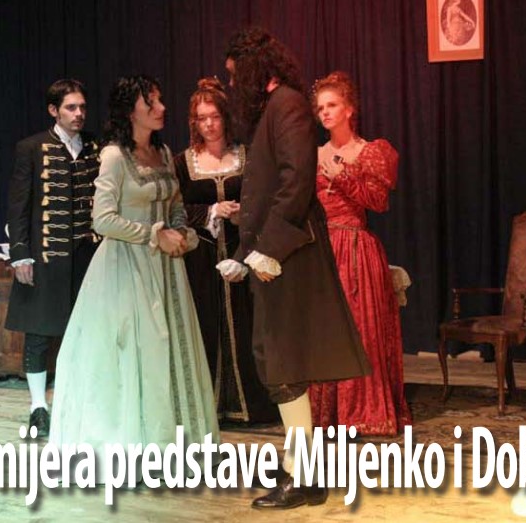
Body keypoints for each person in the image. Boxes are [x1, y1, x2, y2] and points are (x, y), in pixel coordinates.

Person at [218, 28, 370, 509]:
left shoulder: (286, 104)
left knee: (283, 362)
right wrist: (245, 253)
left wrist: (269, 249)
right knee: (280, 363)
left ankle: (302, 475)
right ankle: (304, 471)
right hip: (273, 254)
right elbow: (265, 191)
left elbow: (295, 181)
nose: (232, 84)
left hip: (289, 256)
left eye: (235, 74)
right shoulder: (273, 108)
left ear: (254, 68)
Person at [49, 75, 218, 472]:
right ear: (131, 111)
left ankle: (177, 446)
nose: (161, 108)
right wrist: (153, 235)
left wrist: (181, 232)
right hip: (126, 267)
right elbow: (103, 219)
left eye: (159, 100)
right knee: (138, 352)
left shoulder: (163, 152)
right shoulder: (114, 156)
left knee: (171, 349)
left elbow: (176, 205)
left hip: (167, 270)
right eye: (151, 102)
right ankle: (138, 449)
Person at [308, 71, 411, 437]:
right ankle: (328, 413)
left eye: (332, 105)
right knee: (325, 332)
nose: (325, 112)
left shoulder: (370, 151)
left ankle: (362, 412)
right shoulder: (313, 154)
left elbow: (378, 202)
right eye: (321, 107)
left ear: (349, 109)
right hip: (322, 249)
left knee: (361, 331)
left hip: (355, 248)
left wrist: (342, 177)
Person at [173, 78, 277, 424]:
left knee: (248, 326)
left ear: (225, 117)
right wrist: (211, 211)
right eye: (201, 118)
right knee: (206, 325)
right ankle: (210, 407)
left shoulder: (246, 156)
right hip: (201, 259)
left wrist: (242, 213)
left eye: (214, 116)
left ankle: (252, 405)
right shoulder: (183, 162)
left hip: (242, 252)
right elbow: (174, 209)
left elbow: (266, 199)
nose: (209, 124)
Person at [4, 79, 101, 437]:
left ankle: (83, 400)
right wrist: (20, 255)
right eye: (71, 107)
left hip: (88, 257)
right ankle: (37, 406)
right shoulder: (31, 148)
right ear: (53, 110)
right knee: (39, 334)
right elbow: (18, 207)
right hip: (45, 257)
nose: (78, 114)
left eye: (82, 107)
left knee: (89, 332)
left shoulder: (96, 148)